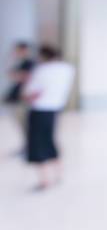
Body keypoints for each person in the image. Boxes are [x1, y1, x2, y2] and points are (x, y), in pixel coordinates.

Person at [22, 45, 74, 191]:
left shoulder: (41, 71)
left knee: (38, 145)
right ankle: (59, 174)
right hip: (55, 109)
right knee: (50, 140)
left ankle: (44, 180)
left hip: (39, 110)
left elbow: (29, 94)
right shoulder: (67, 69)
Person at [3, 42, 35, 151]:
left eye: (18, 51)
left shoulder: (30, 63)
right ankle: (27, 146)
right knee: (21, 124)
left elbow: (25, 77)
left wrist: (17, 75)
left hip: (23, 99)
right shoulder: (21, 63)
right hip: (17, 99)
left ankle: (29, 147)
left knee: (25, 124)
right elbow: (10, 74)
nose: (16, 53)